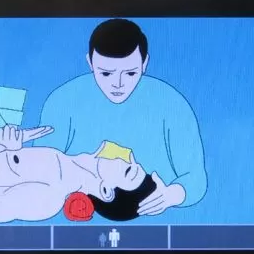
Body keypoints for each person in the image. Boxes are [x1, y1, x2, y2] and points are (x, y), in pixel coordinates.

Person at [35, 18, 207, 216]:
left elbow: (195, 178)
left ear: (145, 63)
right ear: (90, 63)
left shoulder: (172, 103)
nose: (118, 84)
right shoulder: (62, 101)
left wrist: (173, 195)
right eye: (106, 74)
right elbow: (41, 172)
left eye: (130, 73)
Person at [0, 125, 156, 225]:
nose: (122, 160)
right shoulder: (62, 162)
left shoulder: (49, 200)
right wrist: (2, 147)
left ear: (106, 191)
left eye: (128, 170)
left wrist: (6, 151)